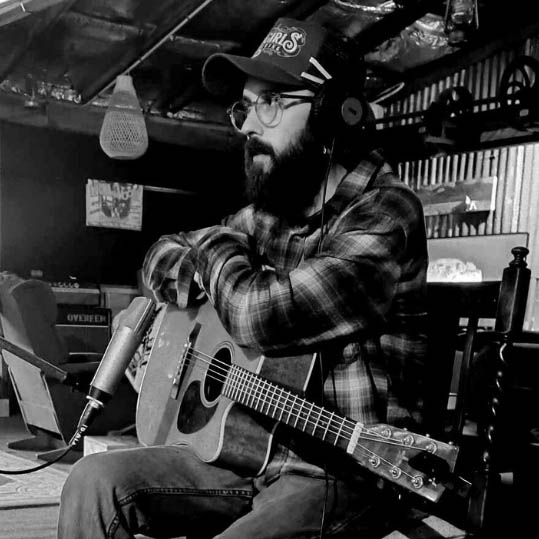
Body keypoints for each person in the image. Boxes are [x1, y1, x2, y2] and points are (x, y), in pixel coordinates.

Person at [57, 17, 428, 539]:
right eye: (245, 107)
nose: (249, 125)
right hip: (253, 453)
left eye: (271, 101)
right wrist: (211, 265)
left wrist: (213, 247)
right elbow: (159, 259)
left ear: (332, 116)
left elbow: (261, 316)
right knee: (94, 480)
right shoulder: (271, 215)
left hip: (345, 470)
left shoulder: (385, 213)